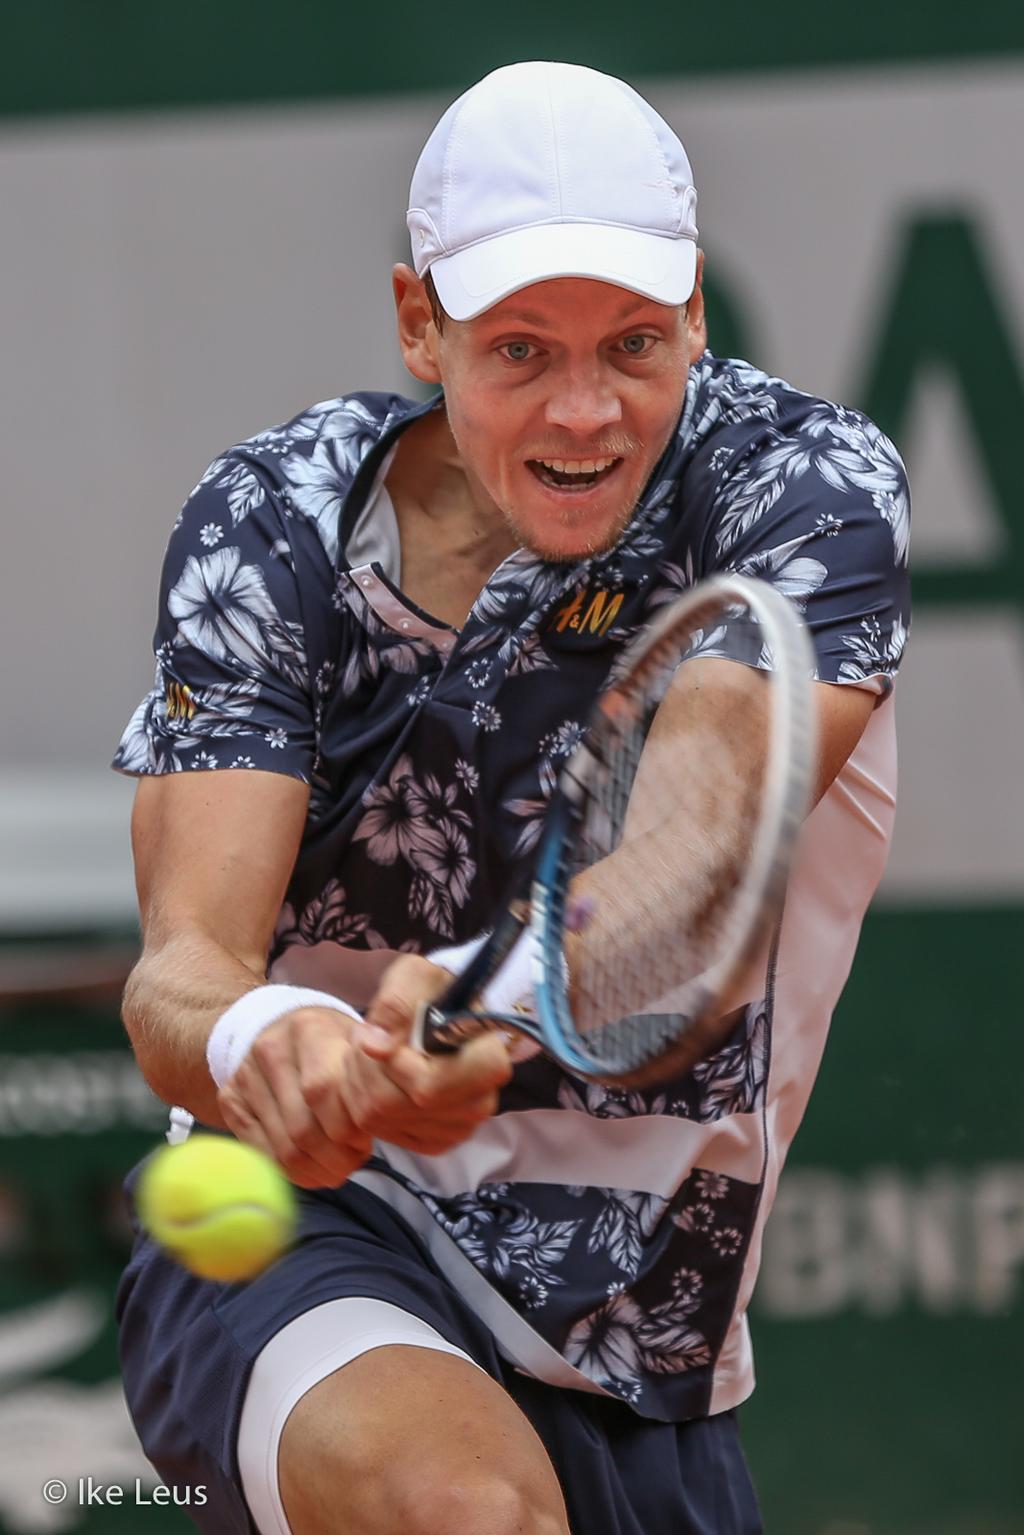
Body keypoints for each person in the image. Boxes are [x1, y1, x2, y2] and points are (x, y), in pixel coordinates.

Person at [113, 60, 910, 1535]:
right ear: (420, 323)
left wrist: (487, 996)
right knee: (468, 1512)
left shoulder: (801, 487)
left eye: (634, 343)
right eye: (521, 350)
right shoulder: (272, 525)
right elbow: (181, 972)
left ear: (697, 315)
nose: (586, 410)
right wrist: (264, 1040)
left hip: (648, 1340)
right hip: (309, 1231)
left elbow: (699, 849)